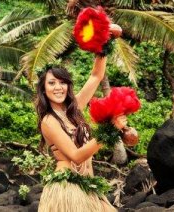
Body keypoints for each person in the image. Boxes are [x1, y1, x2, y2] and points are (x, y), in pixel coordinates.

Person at [35, 38, 126, 210]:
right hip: (66, 189)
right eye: (52, 83)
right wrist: (109, 130)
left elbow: (96, 76)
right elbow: (76, 156)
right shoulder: (49, 121)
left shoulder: (75, 109)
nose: (58, 87)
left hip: (88, 186)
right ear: (43, 89)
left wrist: (105, 41)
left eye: (62, 82)